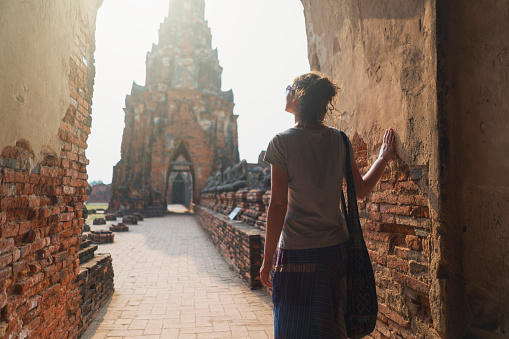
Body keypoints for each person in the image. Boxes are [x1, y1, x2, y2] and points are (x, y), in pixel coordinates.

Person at [261, 71, 395, 338]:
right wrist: (382, 158)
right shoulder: (339, 139)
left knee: (293, 329)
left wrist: (266, 261)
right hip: (336, 252)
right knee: (330, 327)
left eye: (289, 87)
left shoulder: (281, 142)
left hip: (298, 253)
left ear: (298, 97)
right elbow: (361, 190)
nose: (285, 91)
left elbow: (278, 206)